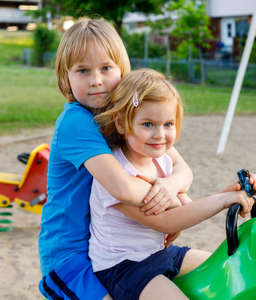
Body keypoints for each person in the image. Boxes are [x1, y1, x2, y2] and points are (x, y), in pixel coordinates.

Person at [38, 19, 194, 300]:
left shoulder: (124, 115)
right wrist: (173, 204)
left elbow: (182, 169)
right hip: (71, 257)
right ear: (66, 77)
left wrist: (171, 188)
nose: (96, 80)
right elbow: (122, 188)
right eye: (83, 71)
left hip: (115, 249)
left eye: (106, 68)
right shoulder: (76, 121)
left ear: (122, 69)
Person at [90, 69, 256, 300]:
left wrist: (232, 192)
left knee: (230, 268)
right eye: (148, 124)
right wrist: (222, 200)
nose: (159, 134)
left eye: (168, 124)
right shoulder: (117, 172)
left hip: (162, 253)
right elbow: (167, 221)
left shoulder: (161, 158)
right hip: (125, 267)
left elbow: (184, 207)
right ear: (121, 124)